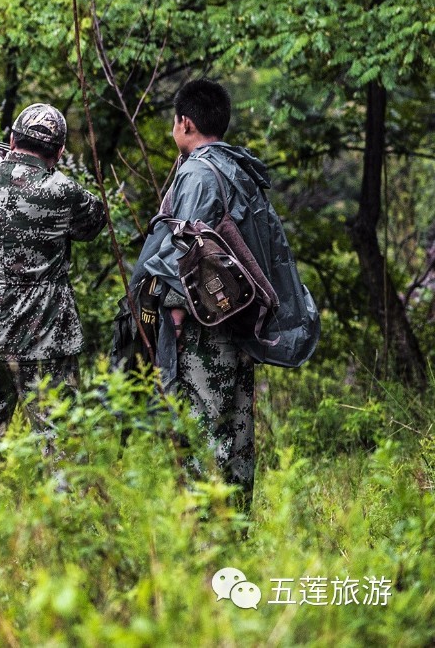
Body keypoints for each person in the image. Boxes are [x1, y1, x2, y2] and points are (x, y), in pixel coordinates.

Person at [129, 78, 317, 504]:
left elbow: (186, 253)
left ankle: (206, 539)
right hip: (241, 321)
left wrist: (172, 318)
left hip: (203, 327)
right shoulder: (238, 168)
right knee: (237, 431)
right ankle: (237, 533)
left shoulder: (197, 172)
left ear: (186, 123)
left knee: (201, 429)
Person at [0, 103, 106, 496]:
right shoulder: (64, 191)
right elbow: (94, 222)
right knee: (60, 437)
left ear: (12, 139)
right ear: (59, 153)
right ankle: (67, 537)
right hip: (44, 337)